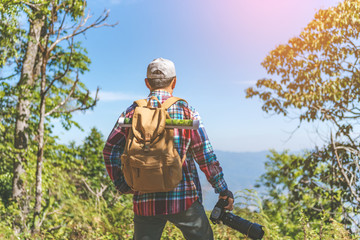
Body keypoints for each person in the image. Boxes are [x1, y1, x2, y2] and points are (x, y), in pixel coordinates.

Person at [103, 57, 234, 240]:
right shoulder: (187, 112)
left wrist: (123, 185)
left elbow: (109, 150)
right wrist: (222, 189)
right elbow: (205, 155)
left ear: (147, 83)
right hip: (184, 199)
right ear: (174, 81)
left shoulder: (131, 113)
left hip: (144, 200)